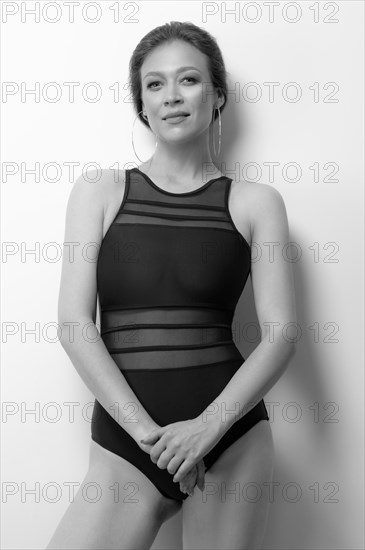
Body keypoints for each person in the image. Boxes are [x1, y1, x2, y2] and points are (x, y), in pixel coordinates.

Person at [47, 21, 296, 550]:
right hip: (130, 440)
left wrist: (206, 430)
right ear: (141, 103)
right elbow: (74, 325)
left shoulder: (256, 202)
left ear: (217, 94)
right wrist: (148, 437)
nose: (171, 96)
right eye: (154, 84)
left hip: (230, 438)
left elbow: (281, 335)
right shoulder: (100, 190)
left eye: (188, 80)